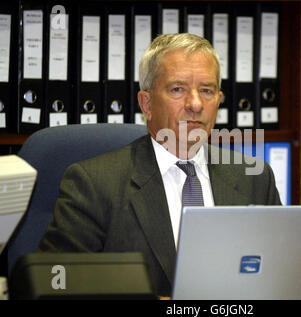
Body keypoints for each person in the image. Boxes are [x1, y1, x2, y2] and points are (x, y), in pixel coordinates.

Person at [38, 33, 281, 297]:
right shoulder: (93, 183)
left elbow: (278, 277)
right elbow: (55, 284)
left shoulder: (254, 177)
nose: (195, 104)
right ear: (147, 103)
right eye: (178, 89)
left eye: (207, 90)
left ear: (218, 101)